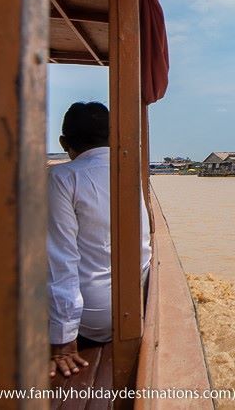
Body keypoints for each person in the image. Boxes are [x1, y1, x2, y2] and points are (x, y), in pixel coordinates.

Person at [47, 102, 152, 378]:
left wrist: (63, 338)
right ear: (113, 136)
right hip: (137, 302)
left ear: (64, 142)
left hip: (94, 318)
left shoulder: (62, 177)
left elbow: (61, 261)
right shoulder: (129, 169)